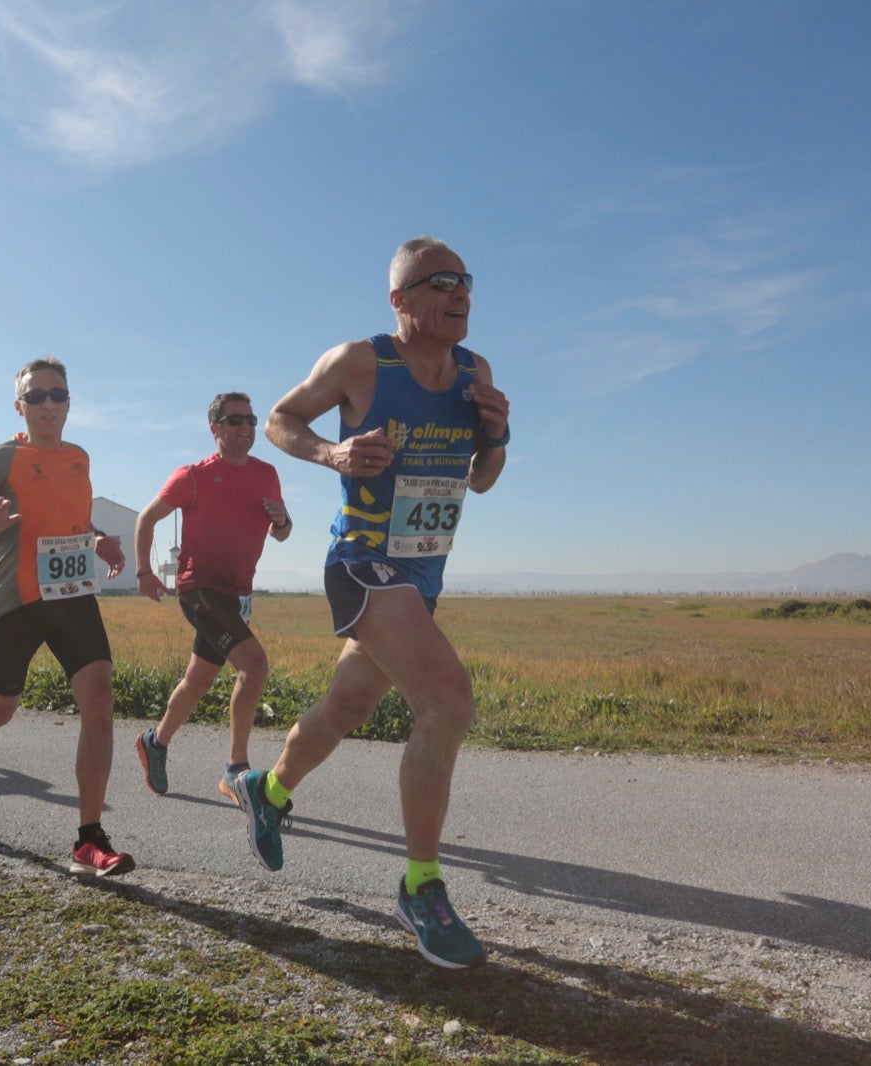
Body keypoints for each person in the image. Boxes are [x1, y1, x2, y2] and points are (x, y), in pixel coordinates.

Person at [236, 236, 510, 969]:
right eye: (441, 282)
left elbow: (484, 478)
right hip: (361, 562)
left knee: (347, 707)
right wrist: (332, 452)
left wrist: (498, 431)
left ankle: (268, 788)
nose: (461, 294)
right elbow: (280, 419)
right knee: (448, 704)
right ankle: (421, 887)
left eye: (466, 281)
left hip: (421, 576)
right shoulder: (361, 361)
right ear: (400, 300)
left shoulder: (474, 371)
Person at [0, 357, 133, 877]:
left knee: (100, 701)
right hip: (14, 601)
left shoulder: (79, 458)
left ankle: (89, 839)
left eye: (57, 395)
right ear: (19, 405)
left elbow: (70, 518)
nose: (48, 404)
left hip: (71, 596)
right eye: (36, 395)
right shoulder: (2, 458)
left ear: (69, 402)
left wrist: (98, 540)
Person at [132, 392, 291, 803]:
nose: (246, 428)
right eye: (235, 421)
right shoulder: (193, 475)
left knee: (199, 680)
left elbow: (282, 531)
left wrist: (283, 521)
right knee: (254, 667)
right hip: (199, 587)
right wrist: (145, 572)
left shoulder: (268, 473)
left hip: (238, 593)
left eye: (251, 420)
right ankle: (236, 770)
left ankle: (156, 741)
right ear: (215, 429)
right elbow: (146, 519)